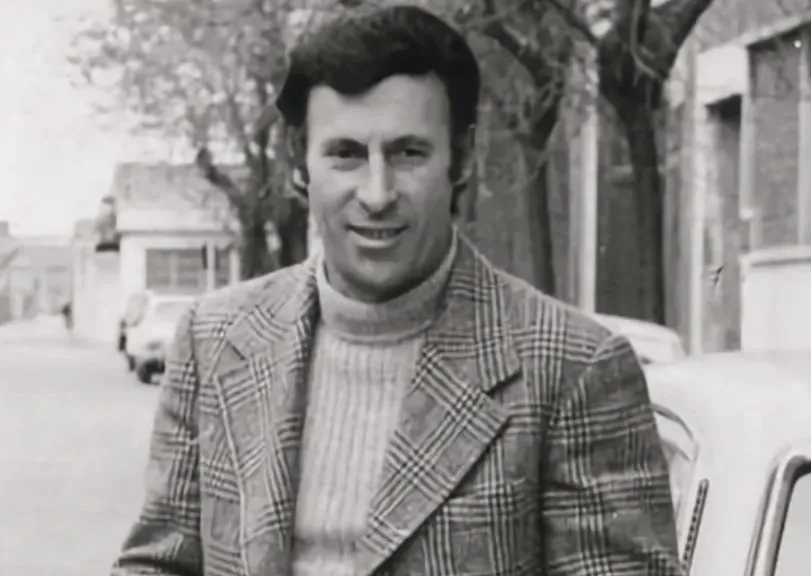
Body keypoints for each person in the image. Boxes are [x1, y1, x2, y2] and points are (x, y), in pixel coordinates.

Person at [112, 5, 682, 576]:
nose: (377, 194)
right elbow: (158, 564)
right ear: (298, 163)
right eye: (346, 155)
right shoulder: (214, 340)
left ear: (463, 158)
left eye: (409, 153)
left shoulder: (574, 370)